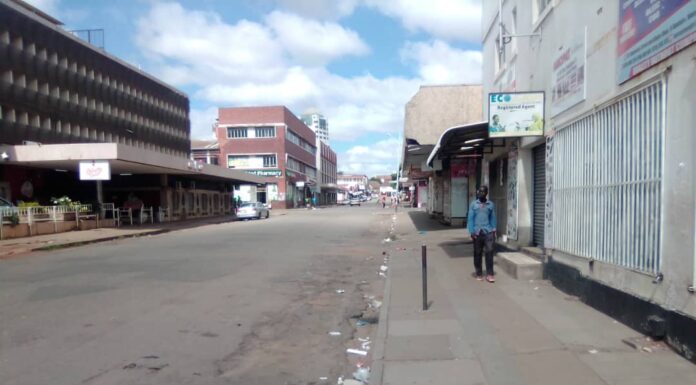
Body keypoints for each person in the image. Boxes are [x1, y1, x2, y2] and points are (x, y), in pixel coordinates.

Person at [467, 186, 497, 283]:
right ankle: (479, 273)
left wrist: (494, 229)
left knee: (489, 252)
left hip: (488, 231)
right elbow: (470, 219)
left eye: (483, 192)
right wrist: (471, 231)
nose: (481, 193)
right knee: (477, 253)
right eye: (480, 191)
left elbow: (493, 218)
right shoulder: (474, 204)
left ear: (486, 193)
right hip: (477, 232)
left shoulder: (490, 204)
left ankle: (490, 274)